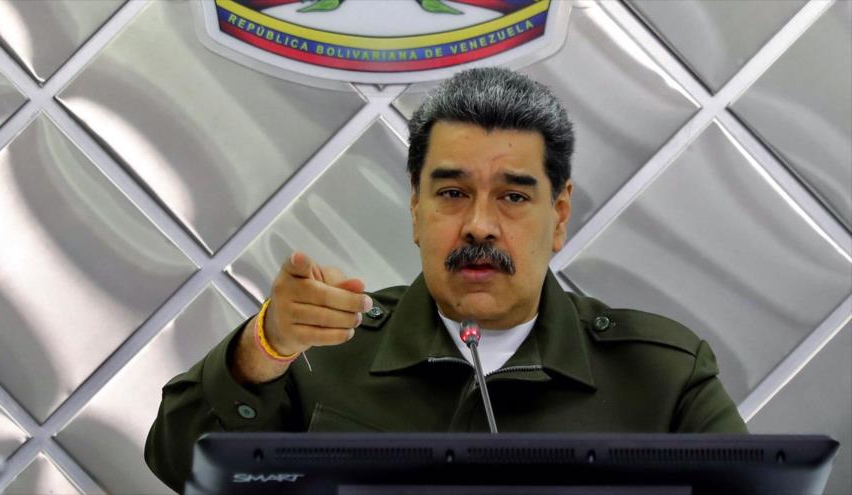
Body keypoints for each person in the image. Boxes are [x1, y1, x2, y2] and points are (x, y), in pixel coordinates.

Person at [145, 67, 747, 491]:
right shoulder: (324, 353)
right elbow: (178, 464)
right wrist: (265, 346)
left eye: (513, 196)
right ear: (415, 208)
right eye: (453, 193)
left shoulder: (663, 376)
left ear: (558, 216)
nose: (480, 225)